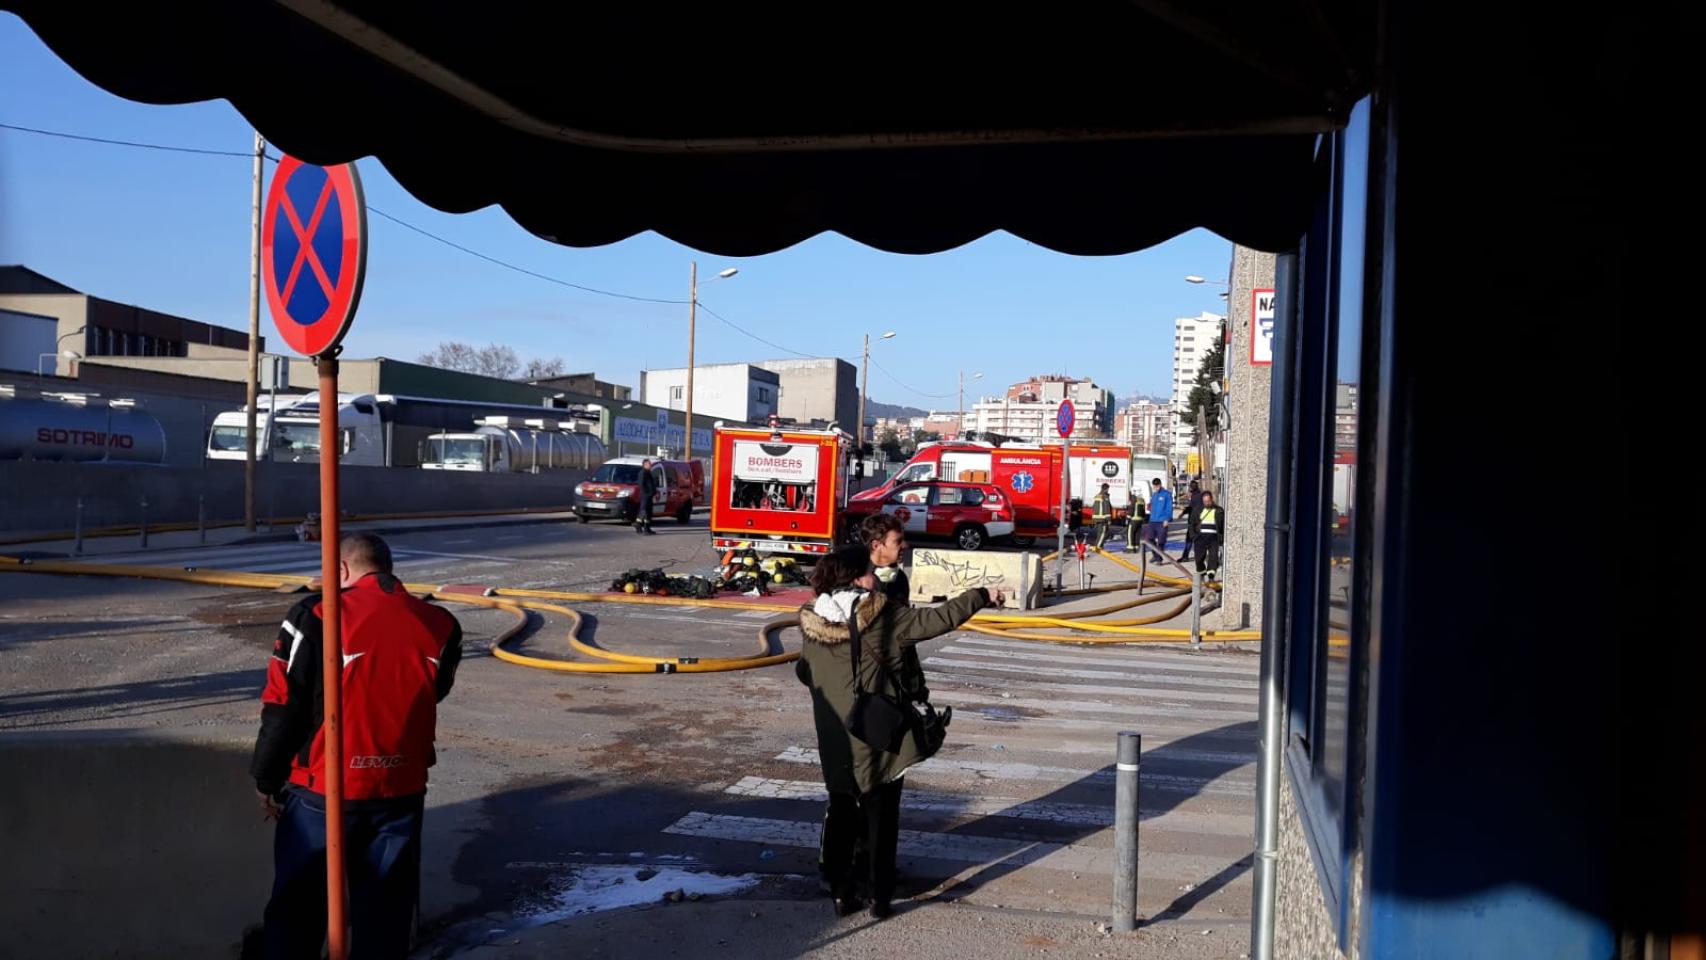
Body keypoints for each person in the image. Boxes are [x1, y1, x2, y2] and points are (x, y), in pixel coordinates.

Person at [251, 533, 463, 960]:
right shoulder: (441, 623)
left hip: (322, 791)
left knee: (297, 914)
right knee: (384, 918)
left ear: (342, 569)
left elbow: (282, 704)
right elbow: (434, 691)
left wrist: (266, 779)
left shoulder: (315, 614)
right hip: (400, 789)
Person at [796, 545, 1001, 920]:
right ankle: (879, 898)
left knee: (841, 812)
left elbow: (804, 673)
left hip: (835, 739)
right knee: (881, 818)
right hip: (878, 738)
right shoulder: (884, 617)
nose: (875, 577)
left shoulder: (813, 623)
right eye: (869, 571)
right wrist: (982, 594)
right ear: (857, 578)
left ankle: (842, 894)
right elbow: (939, 618)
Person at [1195, 490, 1224, 580]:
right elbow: (1192, 524)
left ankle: (1211, 577)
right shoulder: (1198, 510)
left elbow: (1223, 525)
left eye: (1208, 501)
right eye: (1205, 501)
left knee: (1213, 558)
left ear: (1212, 499)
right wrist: (1193, 536)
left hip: (1214, 538)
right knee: (1199, 559)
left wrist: (1222, 538)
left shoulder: (1219, 510)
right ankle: (1202, 573)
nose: (1207, 503)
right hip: (1201, 538)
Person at [1144, 477, 1174, 557]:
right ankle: (1155, 555)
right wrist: (1149, 508)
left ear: (1160, 485)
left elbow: (1169, 508)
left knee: (1161, 541)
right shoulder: (1154, 495)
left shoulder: (1167, 494)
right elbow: (1151, 506)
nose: (1155, 488)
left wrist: (1167, 519)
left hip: (1162, 521)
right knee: (1149, 539)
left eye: (1157, 486)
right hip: (1153, 520)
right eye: (1154, 487)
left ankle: (1159, 558)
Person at [1179, 480, 1204, 562]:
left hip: (1195, 522)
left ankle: (1189, 556)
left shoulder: (1196, 496)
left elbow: (1192, 508)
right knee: (1192, 539)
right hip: (1196, 521)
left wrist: (1183, 513)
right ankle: (1186, 556)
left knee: (1192, 539)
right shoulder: (1198, 495)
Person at [634, 459, 657, 535]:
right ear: (645, 465)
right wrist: (648, 493)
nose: (650, 465)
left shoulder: (648, 472)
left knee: (649, 512)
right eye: (649, 464)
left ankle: (647, 527)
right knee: (644, 511)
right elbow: (641, 485)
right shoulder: (643, 473)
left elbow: (651, 484)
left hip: (649, 496)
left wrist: (654, 492)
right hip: (645, 496)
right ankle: (638, 525)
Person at [1090, 482, 1114, 550]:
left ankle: (1099, 546)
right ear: (1106, 489)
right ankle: (1098, 547)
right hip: (1103, 519)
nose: (1108, 490)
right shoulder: (1105, 497)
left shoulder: (1098, 496)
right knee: (1103, 533)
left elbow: (1093, 507)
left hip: (1097, 518)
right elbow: (1107, 508)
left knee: (1100, 533)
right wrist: (1109, 519)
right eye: (1108, 489)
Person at [1124, 487, 1148, 553]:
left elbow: (1131, 509)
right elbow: (1143, 511)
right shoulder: (1142, 500)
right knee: (1137, 534)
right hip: (1140, 520)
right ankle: (1136, 547)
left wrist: (1128, 518)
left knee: (1130, 534)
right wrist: (1143, 518)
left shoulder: (1134, 499)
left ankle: (1130, 548)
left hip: (1133, 519)